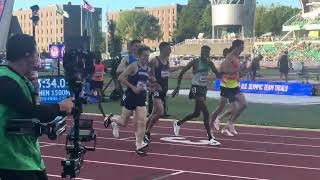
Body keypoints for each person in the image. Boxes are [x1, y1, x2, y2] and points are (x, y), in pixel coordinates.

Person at [0, 34, 73, 180]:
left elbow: (34, 107)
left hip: (26, 155)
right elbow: (30, 111)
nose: (37, 59)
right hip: (11, 160)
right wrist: (60, 107)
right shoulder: (5, 80)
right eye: (35, 54)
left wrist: (35, 89)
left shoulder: (18, 77)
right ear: (27, 55)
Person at [104, 46, 152, 155]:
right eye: (144, 56)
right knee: (123, 122)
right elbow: (121, 77)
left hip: (141, 97)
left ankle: (139, 145)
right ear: (139, 56)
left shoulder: (147, 68)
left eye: (148, 56)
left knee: (142, 120)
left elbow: (144, 81)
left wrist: (149, 86)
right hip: (131, 95)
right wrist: (133, 87)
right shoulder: (133, 66)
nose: (146, 58)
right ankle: (112, 120)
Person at [171, 45, 221, 146]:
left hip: (203, 89)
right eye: (203, 52)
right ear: (201, 52)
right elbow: (182, 72)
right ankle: (210, 137)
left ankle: (178, 123)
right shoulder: (195, 62)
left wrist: (226, 75)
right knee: (206, 113)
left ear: (209, 53)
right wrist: (177, 87)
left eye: (207, 53)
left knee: (196, 113)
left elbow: (217, 73)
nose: (205, 54)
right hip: (195, 88)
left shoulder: (209, 63)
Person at [144, 42, 181, 144]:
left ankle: (144, 131)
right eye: (168, 49)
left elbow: (168, 70)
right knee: (160, 112)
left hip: (164, 89)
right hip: (156, 90)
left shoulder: (166, 60)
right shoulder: (154, 61)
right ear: (163, 49)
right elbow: (145, 72)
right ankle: (147, 131)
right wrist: (152, 82)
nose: (170, 51)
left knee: (153, 113)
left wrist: (180, 68)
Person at [214, 39, 247, 136]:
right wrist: (236, 70)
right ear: (236, 47)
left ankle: (229, 124)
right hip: (227, 86)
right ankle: (220, 119)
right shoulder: (229, 57)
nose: (243, 49)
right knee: (235, 108)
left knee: (244, 104)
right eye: (241, 47)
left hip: (234, 85)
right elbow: (221, 70)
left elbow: (238, 72)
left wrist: (244, 70)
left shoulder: (237, 57)